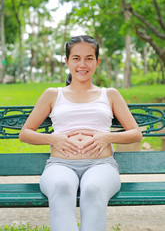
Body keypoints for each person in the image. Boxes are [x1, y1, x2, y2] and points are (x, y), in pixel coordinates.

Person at [19, 35, 142, 231]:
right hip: (60, 164)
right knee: (61, 186)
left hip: (102, 164)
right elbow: (25, 133)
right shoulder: (53, 94)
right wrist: (54, 139)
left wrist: (107, 137)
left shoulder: (109, 94)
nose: (82, 64)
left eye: (89, 58)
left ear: (97, 62)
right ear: (67, 61)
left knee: (93, 189)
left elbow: (136, 133)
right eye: (76, 58)